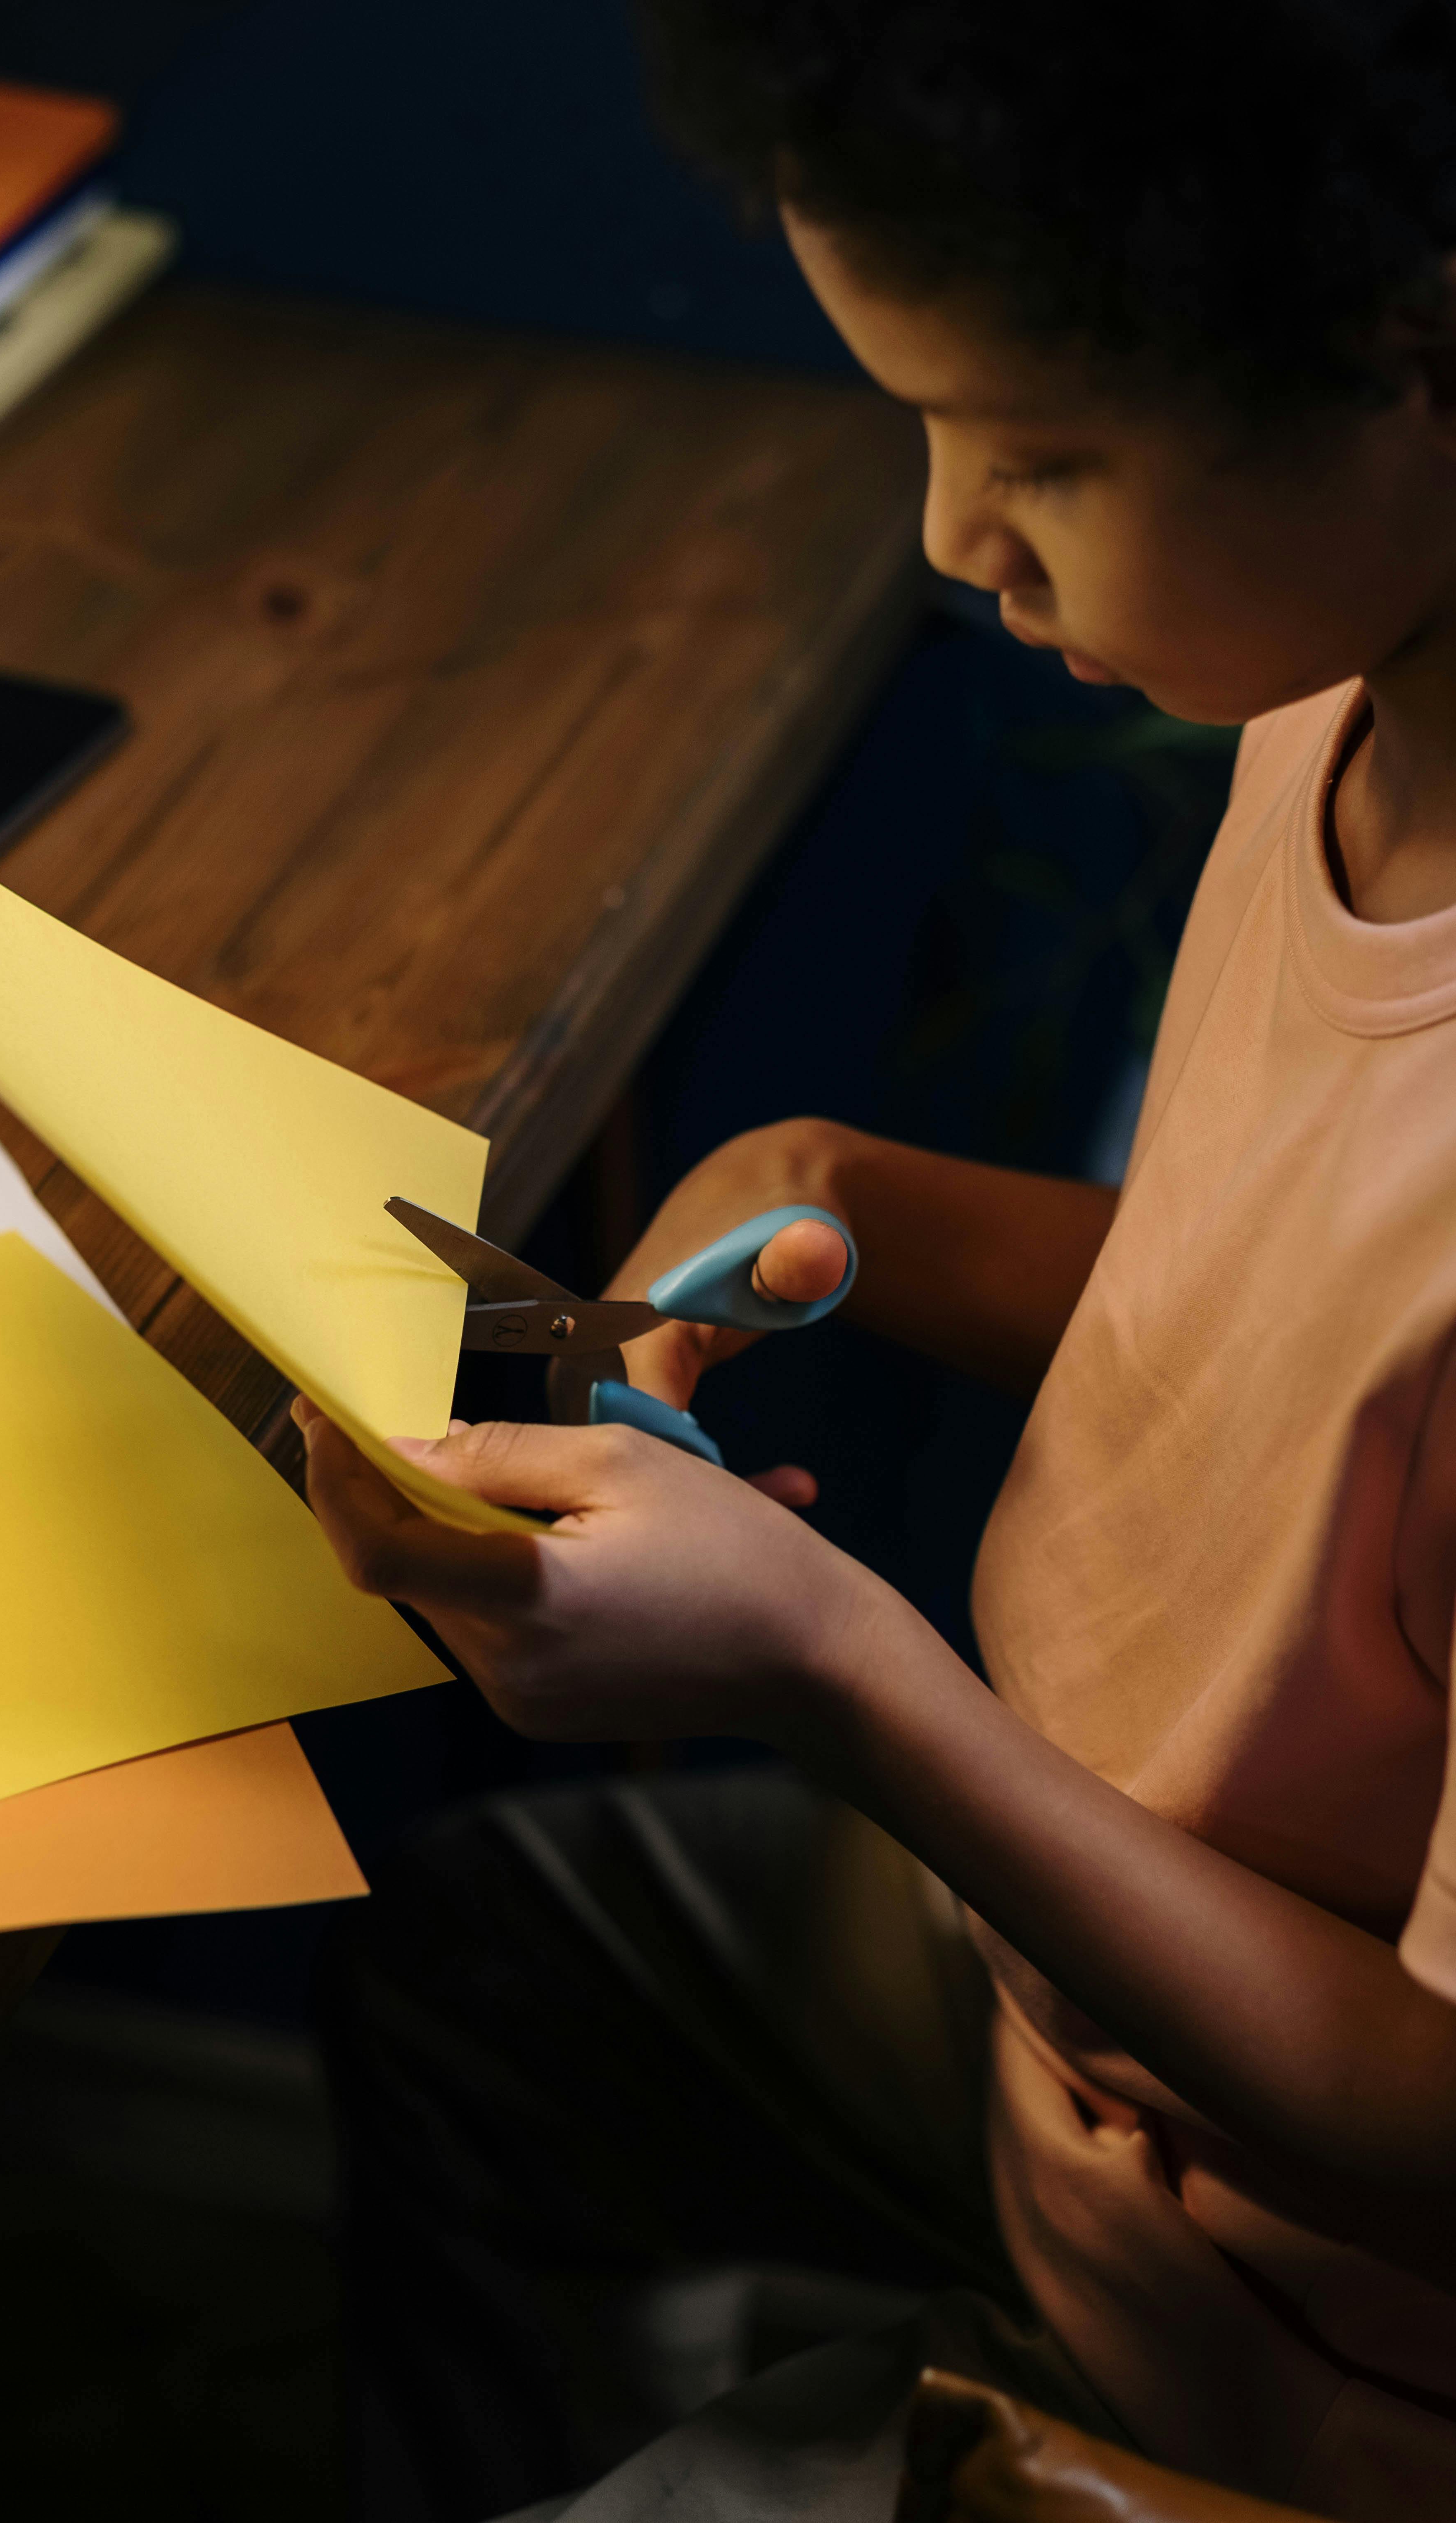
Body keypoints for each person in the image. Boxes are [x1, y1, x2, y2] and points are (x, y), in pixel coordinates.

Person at [297, 3, 1456, 2515]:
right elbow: (1347, 1367)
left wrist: (836, 1675)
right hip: (1059, 2002)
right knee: (478, 1966)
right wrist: (880, 1203)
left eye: (1039, 451)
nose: (952, 536)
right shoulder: (1338, 686)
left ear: (1419, 352)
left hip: (1312, 2344)